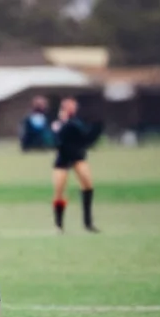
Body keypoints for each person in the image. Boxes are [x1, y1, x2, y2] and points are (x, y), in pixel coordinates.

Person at [51, 98, 103, 233]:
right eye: (69, 106)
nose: (72, 108)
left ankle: (88, 222)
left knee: (88, 186)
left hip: (78, 156)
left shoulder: (77, 123)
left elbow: (86, 137)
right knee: (59, 191)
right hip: (63, 158)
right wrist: (62, 122)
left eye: (73, 106)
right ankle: (59, 225)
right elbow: (57, 139)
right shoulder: (59, 123)